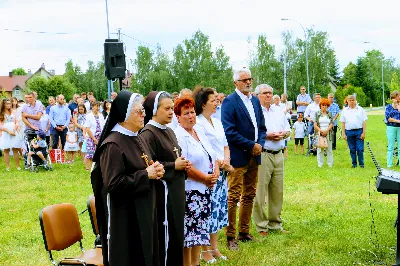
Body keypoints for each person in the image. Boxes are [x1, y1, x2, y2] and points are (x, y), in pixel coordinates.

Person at [91, 90, 165, 266]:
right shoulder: (113, 144)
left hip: (143, 209)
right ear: (124, 114)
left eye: (143, 111)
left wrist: (156, 168)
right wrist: (146, 175)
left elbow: (144, 165)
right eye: (138, 111)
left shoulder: (137, 137)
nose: (143, 115)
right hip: (125, 216)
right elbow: (113, 183)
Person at [141, 91, 190, 266]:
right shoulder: (148, 133)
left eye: (172, 108)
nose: (171, 112)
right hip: (163, 196)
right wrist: (173, 166)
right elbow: (150, 164)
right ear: (154, 109)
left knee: (177, 236)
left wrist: (182, 163)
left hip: (176, 192)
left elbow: (175, 155)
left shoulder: (169, 130)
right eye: (167, 108)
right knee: (166, 239)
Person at [221, 68, 266, 250]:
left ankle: (244, 232)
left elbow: (262, 127)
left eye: (250, 79)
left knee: (249, 194)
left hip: (255, 156)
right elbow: (229, 131)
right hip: (238, 156)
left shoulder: (255, 100)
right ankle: (230, 236)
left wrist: (259, 144)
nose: (248, 82)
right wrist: (251, 145)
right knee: (233, 196)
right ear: (236, 83)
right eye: (244, 79)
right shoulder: (229, 102)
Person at [174, 97, 219, 266]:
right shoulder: (179, 136)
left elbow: (212, 153)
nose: (191, 116)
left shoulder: (198, 131)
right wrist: (205, 178)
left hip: (204, 190)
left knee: (199, 234)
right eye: (186, 113)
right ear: (178, 117)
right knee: (189, 236)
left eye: (192, 112)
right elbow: (186, 165)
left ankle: (196, 263)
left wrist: (214, 172)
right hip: (190, 191)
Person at [194, 88, 233, 262]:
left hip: (222, 171)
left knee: (218, 210)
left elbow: (225, 144)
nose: (217, 103)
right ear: (203, 104)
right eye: (213, 100)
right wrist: (220, 162)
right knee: (207, 211)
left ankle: (214, 247)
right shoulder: (198, 122)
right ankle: (204, 250)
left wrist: (226, 160)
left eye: (218, 100)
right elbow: (204, 147)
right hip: (209, 172)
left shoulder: (216, 121)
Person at [252, 84, 290, 236]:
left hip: (278, 153)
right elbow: (251, 134)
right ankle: (261, 226)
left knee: (277, 191)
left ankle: (275, 224)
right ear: (257, 95)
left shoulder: (278, 110)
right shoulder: (255, 112)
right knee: (260, 191)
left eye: (270, 93)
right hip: (263, 153)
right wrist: (267, 135)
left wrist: (284, 134)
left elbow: (288, 129)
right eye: (265, 93)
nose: (268, 95)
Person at [340, 95, 368, 168]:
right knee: (352, 149)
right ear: (347, 101)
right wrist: (343, 133)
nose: (352, 102)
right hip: (349, 131)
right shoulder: (345, 111)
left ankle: (361, 164)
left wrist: (363, 132)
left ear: (355, 101)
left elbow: (364, 122)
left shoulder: (360, 109)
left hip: (359, 131)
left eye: (353, 100)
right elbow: (343, 122)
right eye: (350, 100)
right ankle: (354, 164)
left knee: (360, 149)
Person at [0, 98, 21, 171]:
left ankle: (18, 166)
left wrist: (14, 130)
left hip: (14, 131)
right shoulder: (1, 113)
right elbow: (0, 126)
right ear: (4, 104)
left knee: (15, 148)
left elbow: (17, 122)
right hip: (6, 132)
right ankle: (7, 167)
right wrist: (9, 131)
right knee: (6, 150)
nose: (9, 105)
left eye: (9, 103)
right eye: (7, 103)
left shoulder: (14, 112)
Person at [84, 101, 105, 170]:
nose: (98, 108)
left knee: (99, 152)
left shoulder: (101, 115)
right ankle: (88, 168)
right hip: (91, 137)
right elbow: (87, 128)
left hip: (100, 136)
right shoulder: (88, 116)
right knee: (90, 153)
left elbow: (103, 126)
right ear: (92, 107)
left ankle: (97, 167)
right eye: (96, 106)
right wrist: (94, 139)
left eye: (99, 106)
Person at [314, 98, 334, 167]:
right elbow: (315, 125)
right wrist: (320, 131)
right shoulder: (317, 113)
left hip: (328, 133)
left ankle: (330, 164)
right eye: (323, 105)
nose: (324, 107)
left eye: (325, 105)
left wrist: (327, 130)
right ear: (320, 106)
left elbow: (331, 123)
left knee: (329, 149)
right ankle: (320, 164)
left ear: (327, 106)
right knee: (320, 149)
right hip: (320, 134)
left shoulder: (330, 114)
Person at [385, 91, 400, 167]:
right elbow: (389, 119)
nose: (398, 98)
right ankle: (389, 164)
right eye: (397, 96)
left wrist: (398, 106)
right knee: (391, 146)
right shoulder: (388, 107)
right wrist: (398, 121)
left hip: (399, 128)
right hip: (391, 127)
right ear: (393, 98)